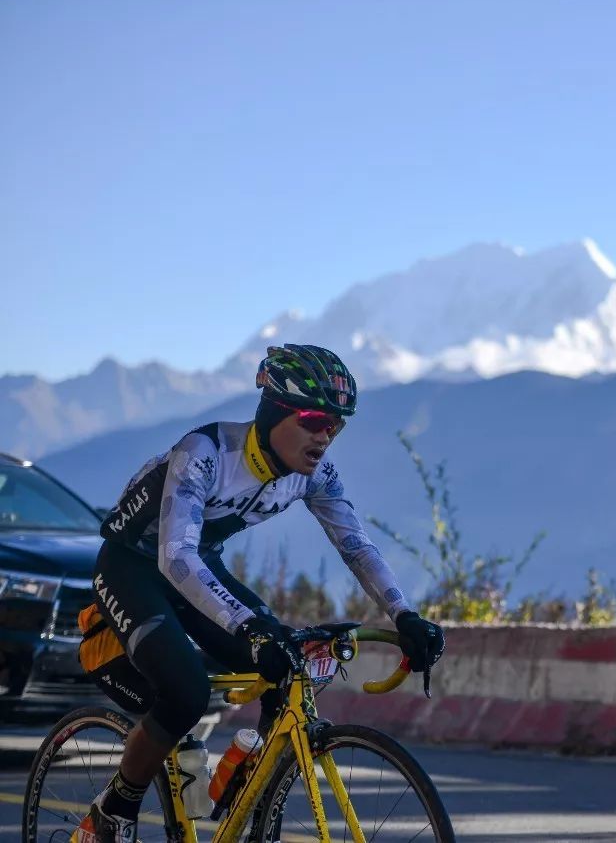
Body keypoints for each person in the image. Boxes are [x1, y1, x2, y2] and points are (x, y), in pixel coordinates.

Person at [74, 344, 445, 843]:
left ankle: (249, 810)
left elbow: (356, 545)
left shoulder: (314, 475)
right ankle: (112, 812)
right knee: (186, 692)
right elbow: (175, 559)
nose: (325, 435)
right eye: (314, 419)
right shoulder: (204, 453)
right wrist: (248, 629)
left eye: (336, 425)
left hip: (198, 567)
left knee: (287, 660)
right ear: (274, 411)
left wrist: (405, 615)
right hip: (134, 566)